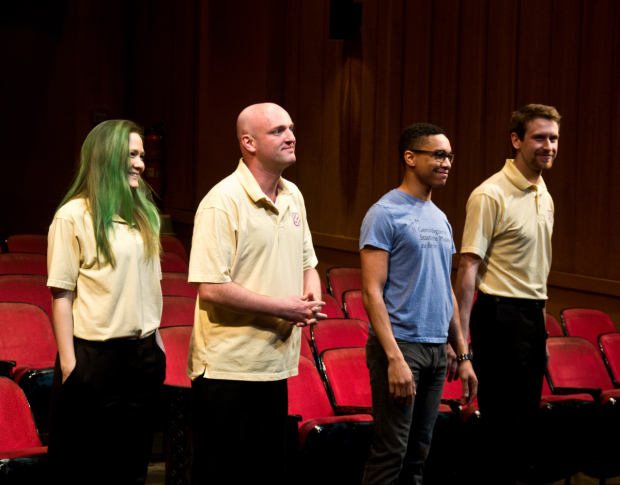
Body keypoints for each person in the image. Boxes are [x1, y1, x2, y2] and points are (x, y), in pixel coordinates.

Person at [187, 102, 326, 485]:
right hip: (227, 370)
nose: (291, 136)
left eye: (291, 128)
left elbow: (307, 263)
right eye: (278, 130)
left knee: (266, 476)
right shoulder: (222, 202)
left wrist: (310, 298)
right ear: (248, 142)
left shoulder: (293, 195)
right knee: (223, 477)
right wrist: (284, 307)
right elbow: (212, 288)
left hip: (273, 365)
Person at [47, 120, 166, 485]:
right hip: (95, 360)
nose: (140, 163)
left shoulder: (144, 215)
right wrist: (70, 366)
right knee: (86, 470)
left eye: (142, 155)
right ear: (107, 157)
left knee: (132, 470)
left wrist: (157, 348)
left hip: (142, 358)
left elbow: (150, 288)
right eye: (131, 154)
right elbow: (62, 295)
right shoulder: (73, 216)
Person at [360, 123, 477, 485]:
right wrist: (394, 357)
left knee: (418, 455)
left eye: (450, 156)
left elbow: (445, 292)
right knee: (390, 452)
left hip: (436, 352)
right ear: (410, 157)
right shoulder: (384, 212)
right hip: (401, 346)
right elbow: (371, 291)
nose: (447, 163)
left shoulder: (440, 218)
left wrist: (463, 353)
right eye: (438, 155)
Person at [454, 104, 560, 484]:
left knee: (526, 427)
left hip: (531, 319)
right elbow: (467, 268)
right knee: (502, 427)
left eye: (553, 138)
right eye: (539, 137)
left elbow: (536, 272)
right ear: (516, 140)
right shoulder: (489, 194)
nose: (548, 145)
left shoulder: (544, 194)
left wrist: (540, 329)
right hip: (498, 316)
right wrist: (461, 342)